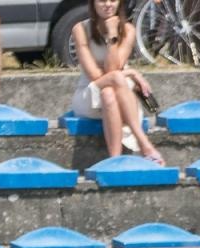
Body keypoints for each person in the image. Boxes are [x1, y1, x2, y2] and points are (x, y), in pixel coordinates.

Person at [69, 0, 163, 163]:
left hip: (119, 95)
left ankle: (114, 161)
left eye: (113, 0)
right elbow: (95, 75)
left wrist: (112, 34)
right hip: (88, 93)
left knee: (108, 93)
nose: (107, 4)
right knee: (116, 78)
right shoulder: (80, 30)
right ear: (93, 3)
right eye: (102, 0)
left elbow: (113, 68)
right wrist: (130, 71)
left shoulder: (128, 30)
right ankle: (143, 142)